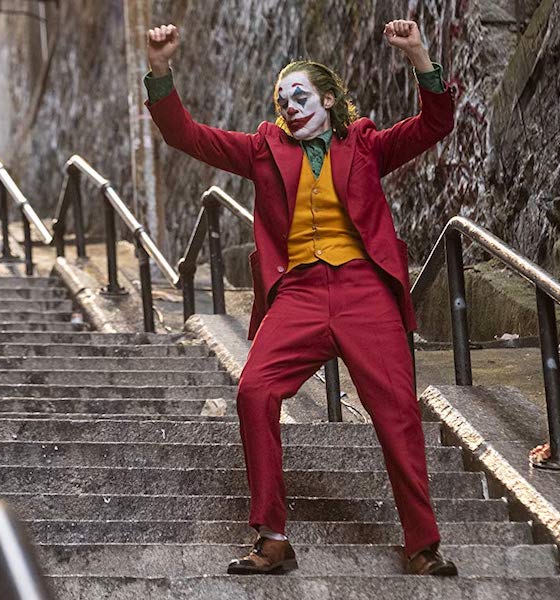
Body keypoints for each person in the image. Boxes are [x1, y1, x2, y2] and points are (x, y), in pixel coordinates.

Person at [144, 19, 457, 577]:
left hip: (365, 290)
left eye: (301, 96)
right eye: (282, 100)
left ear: (329, 100)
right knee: (255, 391)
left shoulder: (363, 143)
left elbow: (434, 124)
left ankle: (422, 543)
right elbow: (185, 135)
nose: (289, 106)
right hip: (299, 294)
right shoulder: (264, 148)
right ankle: (273, 537)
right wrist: (162, 71)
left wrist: (419, 56)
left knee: (397, 412)